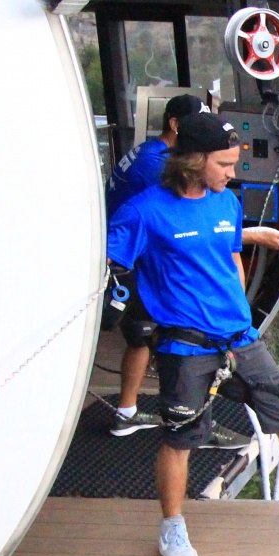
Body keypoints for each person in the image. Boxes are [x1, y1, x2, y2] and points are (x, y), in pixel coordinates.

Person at [106, 112, 279, 556]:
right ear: (194, 162)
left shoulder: (225, 203)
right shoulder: (144, 212)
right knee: (181, 439)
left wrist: (247, 285)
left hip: (240, 340)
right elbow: (106, 260)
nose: (233, 173)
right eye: (224, 164)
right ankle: (172, 525)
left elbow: (228, 251)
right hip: (187, 348)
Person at [103, 93, 204, 437]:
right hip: (128, 260)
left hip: (126, 253)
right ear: (175, 125)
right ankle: (154, 411)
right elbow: (176, 210)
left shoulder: (149, 152)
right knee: (148, 333)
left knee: (142, 336)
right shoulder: (155, 165)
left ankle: (130, 410)